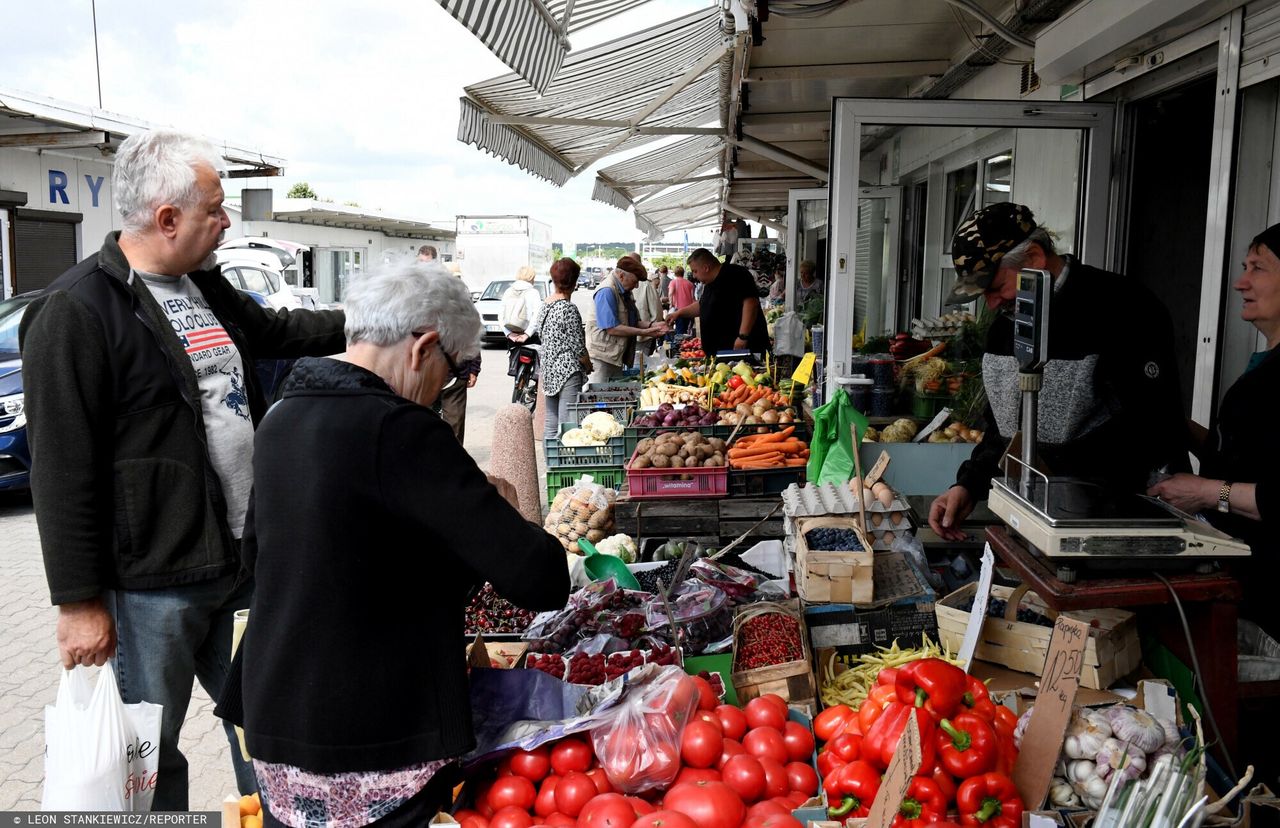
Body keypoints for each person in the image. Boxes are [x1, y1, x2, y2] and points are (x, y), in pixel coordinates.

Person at [19, 129, 347, 810]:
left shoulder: (203, 285)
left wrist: (376, 323)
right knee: (150, 758)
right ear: (167, 218)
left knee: (275, 728)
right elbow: (62, 470)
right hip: (152, 588)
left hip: (242, 563)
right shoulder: (77, 311)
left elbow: (274, 335)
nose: (227, 222)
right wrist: (79, 604)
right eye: (215, 210)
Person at [221, 261, 570, 827]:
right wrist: (501, 508)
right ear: (424, 347)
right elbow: (541, 577)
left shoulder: (282, 415)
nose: (444, 387)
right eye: (454, 371)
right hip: (374, 735)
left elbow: (265, 555)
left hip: (279, 723)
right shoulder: (401, 429)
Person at [927, 202, 1188, 541]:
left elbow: (1151, 428)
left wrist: (1059, 482)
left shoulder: (1124, 310)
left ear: (1034, 257)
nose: (991, 304)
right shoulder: (1004, 329)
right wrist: (968, 484)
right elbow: (1001, 429)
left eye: (995, 287)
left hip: (1108, 525)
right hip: (1031, 518)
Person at [1147, 223, 1280, 634]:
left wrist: (1206, 492)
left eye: (1258, 268)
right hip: (1238, 584)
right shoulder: (1263, 363)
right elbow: (1243, 457)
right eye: (1244, 266)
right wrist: (1179, 427)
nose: (1241, 282)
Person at [420, 245, 478, 441]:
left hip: (454, 371)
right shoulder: (410, 293)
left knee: (453, 428)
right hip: (423, 372)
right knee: (422, 428)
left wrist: (473, 367)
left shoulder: (456, 292)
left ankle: (452, 467)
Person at [666, 247, 769, 354]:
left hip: (740, 349)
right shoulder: (709, 284)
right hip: (721, 352)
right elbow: (702, 306)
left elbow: (751, 303)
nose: (694, 276)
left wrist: (743, 336)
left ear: (706, 268)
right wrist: (678, 313)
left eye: (695, 271)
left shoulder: (736, 274)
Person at [584, 257, 666, 383]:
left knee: (613, 395)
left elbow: (634, 321)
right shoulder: (607, 291)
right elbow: (612, 328)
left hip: (616, 357)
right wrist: (645, 332)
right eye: (635, 281)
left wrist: (653, 325)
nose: (637, 285)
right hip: (602, 359)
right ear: (621, 275)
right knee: (600, 397)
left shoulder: (626, 290)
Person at [538, 258, 592, 441]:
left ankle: (552, 466)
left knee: (551, 426)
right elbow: (578, 346)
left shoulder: (545, 305)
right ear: (575, 281)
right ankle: (565, 463)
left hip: (548, 369)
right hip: (567, 371)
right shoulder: (568, 308)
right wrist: (588, 364)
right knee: (567, 425)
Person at [635, 267, 663, 355]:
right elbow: (656, 311)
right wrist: (654, 328)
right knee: (642, 363)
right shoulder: (646, 285)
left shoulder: (619, 285)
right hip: (645, 335)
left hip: (632, 335)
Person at [668, 265, 696, 338]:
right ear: (683, 273)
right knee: (687, 329)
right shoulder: (690, 283)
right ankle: (685, 345)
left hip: (678, 310)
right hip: (689, 309)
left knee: (679, 330)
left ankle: (679, 346)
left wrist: (671, 304)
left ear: (675, 273)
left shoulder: (673, 282)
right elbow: (693, 297)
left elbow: (670, 293)